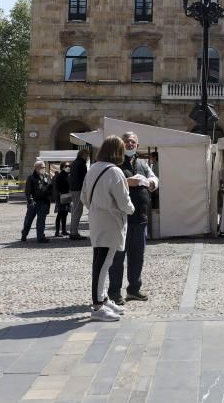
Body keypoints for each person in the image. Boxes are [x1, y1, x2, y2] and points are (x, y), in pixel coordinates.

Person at [81, 135, 134, 322]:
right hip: (110, 220)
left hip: (96, 217)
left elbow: (84, 197)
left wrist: (96, 207)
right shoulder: (115, 172)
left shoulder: (93, 168)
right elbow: (124, 201)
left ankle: (103, 299)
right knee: (103, 264)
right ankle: (97, 306)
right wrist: (131, 209)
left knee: (101, 261)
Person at [109, 131, 159, 304]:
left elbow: (154, 178)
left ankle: (134, 289)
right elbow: (108, 183)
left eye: (133, 142)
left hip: (140, 218)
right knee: (117, 257)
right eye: (127, 141)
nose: (130, 144)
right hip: (120, 219)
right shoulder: (114, 162)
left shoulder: (142, 163)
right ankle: (114, 292)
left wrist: (151, 182)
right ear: (121, 144)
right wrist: (127, 182)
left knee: (137, 256)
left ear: (137, 145)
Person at [22, 161, 52, 243]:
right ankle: (24, 234)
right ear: (36, 168)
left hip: (43, 202)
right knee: (28, 220)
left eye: (44, 167)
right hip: (34, 202)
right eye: (42, 167)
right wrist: (30, 200)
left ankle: (40, 237)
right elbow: (28, 191)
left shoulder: (46, 176)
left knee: (41, 221)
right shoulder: (31, 177)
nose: (43, 169)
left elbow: (50, 187)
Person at [68, 149, 88, 239]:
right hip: (79, 189)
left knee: (75, 210)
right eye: (87, 155)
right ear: (83, 154)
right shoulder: (81, 164)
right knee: (77, 211)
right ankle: (73, 232)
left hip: (74, 189)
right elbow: (85, 178)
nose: (87, 157)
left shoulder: (74, 163)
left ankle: (73, 231)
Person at [53, 162, 72, 237]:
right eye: (66, 166)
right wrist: (61, 194)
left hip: (67, 196)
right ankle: (57, 232)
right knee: (60, 214)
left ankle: (64, 231)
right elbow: (57, 186)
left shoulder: (68, 175)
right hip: (61, 196)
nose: (68, 167)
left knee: (65, 213)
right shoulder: (60, 175)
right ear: (62, 167)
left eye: (69, 166)